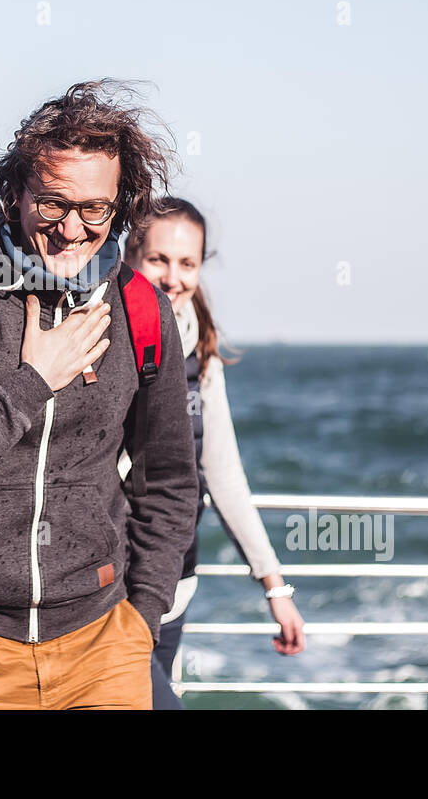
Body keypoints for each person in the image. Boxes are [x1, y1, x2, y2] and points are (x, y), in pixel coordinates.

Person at [0, 80, 201, 709]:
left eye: (95, 208)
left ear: (120, 206)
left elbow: (168, 478)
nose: (72, 228)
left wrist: (145, 615)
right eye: (53, 203)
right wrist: (32, 382)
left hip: (104, 644)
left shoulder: (141, 309)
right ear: (14, 194)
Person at [123, 197, 306, 709]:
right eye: (158, 259)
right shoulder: (102, 337)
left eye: (187, 264)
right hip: (109, 591)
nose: (172, 278)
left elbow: (222, 474)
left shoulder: (199, 349)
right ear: (131, 255)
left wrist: (275, 587)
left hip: (175, 587)